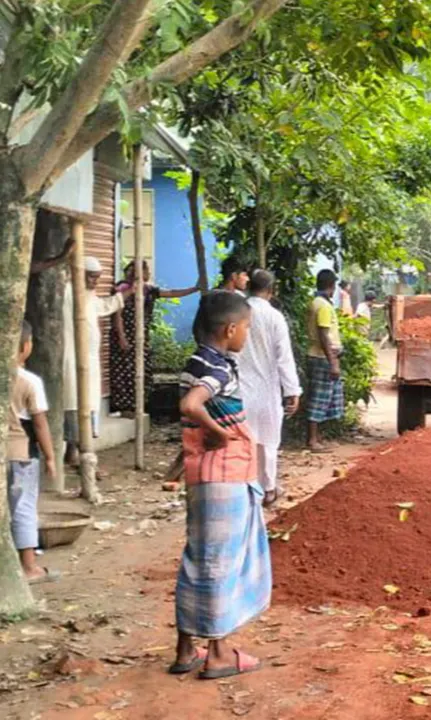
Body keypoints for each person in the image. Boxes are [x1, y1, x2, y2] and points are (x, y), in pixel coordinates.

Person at [171, 290, 270, 679]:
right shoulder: (219, 369)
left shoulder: (196, 360)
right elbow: (191, 406)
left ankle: (185, 650)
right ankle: (219, 653)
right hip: (224, 476)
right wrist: (219, 434)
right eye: (246, 327)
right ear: (230, 329)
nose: (246, 334)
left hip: (202, 475)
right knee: (221, 562)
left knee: (197, 560)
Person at [239, 271, 301, 506]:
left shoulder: (237, 312)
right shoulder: (274, 317)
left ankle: (245, 486)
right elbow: (284, 357)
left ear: (249, 288)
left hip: (239, 388)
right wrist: (292, 390)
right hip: (267, 389)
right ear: (271, 290)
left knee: (244, 440)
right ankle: (268, 489)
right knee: (268, 442)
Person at [109, 260, 199, 415]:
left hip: (141, 336)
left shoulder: (148, 290)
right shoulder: (123, 289)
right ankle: (124, 406)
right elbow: (117, 315)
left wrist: (194, 289)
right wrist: (122, 336)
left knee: (141, 370)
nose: (148, 273)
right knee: (124, 371)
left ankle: (138, 404)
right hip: (125, 335)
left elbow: (171, 293)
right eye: (144, 270)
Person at [8, 321, 59, 584]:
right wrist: (50, 457)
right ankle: (29, 567)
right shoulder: (29, 381)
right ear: (26, 347)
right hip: (21, 453)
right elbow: (39, 423)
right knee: (24, 507)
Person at [62, 256, 125, 467]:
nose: (94, 282)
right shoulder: (67, 292)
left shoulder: (88, 295)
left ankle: (74, 453)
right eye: (91, 277)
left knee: (87, 401)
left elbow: (103, 306)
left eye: (97, 278)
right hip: (72, 358)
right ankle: (81, 455)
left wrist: (127, 293)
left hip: (89, 361)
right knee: (75, 402)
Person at [305, 269, 345, 451]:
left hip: (322, 356)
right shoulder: (323, 306)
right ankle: (313, 440)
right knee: (319, 399)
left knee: (325, 398)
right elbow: (323, 335)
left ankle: (318, 437)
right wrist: (333, 362)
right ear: (332, 286)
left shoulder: (318, 303)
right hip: (322, 358)